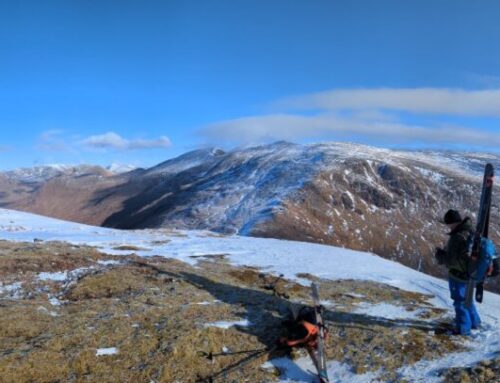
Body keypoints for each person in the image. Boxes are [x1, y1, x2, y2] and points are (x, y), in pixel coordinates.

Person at [435, 209, 481, 335]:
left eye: (448, 224)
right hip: (469, 274)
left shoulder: (457, 237)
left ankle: (463, 327)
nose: (448, 227)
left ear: (452, 222)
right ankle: (475, 323)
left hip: (458, 275)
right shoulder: (470, 231)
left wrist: (440, 255)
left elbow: (450, 261)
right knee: (468, 300)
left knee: (459, 301)